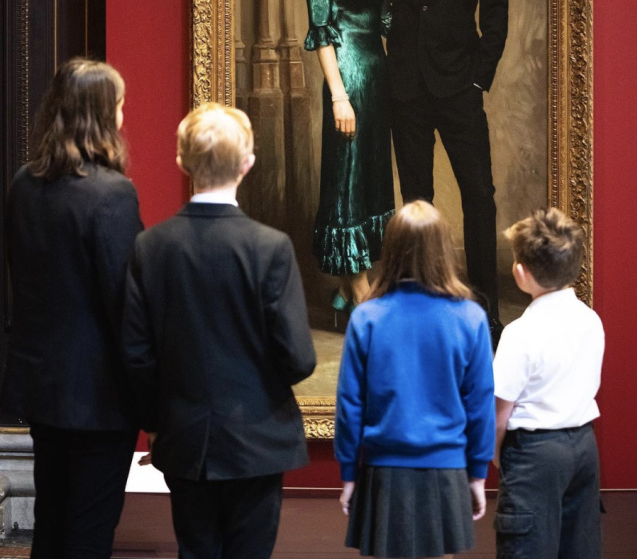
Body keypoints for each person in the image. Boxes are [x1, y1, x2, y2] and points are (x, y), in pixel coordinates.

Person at [122, 102, 316, 559]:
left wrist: (157, 422)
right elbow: (299, 357)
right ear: (247, 164)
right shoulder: (271, 248)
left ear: (182, 162)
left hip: (184, 438)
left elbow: (136, 355)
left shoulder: (151, 247)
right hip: (260, 439)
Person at [1, 58, 142, 559]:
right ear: (101, 116)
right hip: (99, 399)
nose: (124, 115)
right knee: (87, 533)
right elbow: (127, 307)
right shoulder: (112, 195)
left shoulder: (23, 183)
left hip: (42, 388)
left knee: (52, 525)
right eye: (120, 105)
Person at [381, 0, 508, 340]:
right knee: (416, 202)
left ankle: (485, 312)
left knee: (479, 195)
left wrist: (479, 77)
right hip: (406, 90)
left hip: (459, 87)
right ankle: (421, 307)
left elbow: (495, 14)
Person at [335, 200, 495, 559]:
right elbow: (480, 402)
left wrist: (349, 473)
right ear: (443, 249)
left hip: (383, 471)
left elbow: (350, 404)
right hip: (447, 469)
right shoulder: (470, 317)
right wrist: (478, 473)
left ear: (390, 250)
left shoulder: (367, 317)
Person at [304, 0, 395, 310]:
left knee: (372, 175)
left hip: (378, 73)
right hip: (346, 70)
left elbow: (388, 19)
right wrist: (339, 94)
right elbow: (321, 29)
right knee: (348, 175)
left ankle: (352, 284)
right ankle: (356, 286)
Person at [493, 208, 605, 559]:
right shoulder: (591, 320)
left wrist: (497, 456)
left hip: (535, 455)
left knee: (527, 549)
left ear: (520, 273)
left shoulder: (519, 333)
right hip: (585, 446)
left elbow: (499, 412)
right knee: (579, 547)